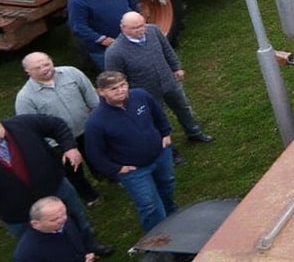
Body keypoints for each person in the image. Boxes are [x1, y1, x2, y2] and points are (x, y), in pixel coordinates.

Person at [104, 12, 214, 156]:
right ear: (123, 28)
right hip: (146, 93)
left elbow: (167, 49)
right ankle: (169, 150)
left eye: (142, 25)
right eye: (135, 28)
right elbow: (115, 79)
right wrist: (128, 96)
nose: (141, 30)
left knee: (183, 107)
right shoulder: (114, 52)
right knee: (156, 121)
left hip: (168, 81)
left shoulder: (153, 30)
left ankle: (195, 132)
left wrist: (176, 67)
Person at [0, 115, 107, 256]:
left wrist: (70, 148)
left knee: (77, 220)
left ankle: (89, 247)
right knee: (33, 244)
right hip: (17, 211)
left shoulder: (23, 124)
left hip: (56, 188)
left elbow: (56, 125)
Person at [84, 71, 177, 232]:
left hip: (161, 155)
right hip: (134, 171)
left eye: (123, 85)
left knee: (167, 186)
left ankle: (174, 219)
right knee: (149, 204)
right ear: (101, 92)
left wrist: (165, 133)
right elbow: (95, 153)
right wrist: (117, 169)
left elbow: (158, 114)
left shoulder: (141, 96)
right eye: (114, 88)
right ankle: (158, 238)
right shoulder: (96, 121)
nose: (121, 90)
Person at [15, 54, 101, 206]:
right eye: (37, 68)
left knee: (97, 155)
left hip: (87, 128)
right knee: (73, 171)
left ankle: (106, 176)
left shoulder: (72, 73)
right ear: (27, 71)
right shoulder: (25, 98)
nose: (44, 69)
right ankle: (89, 196)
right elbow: (30, 126)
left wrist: (97, 114)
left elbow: (91, 95)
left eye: (46, 64)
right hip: (59, 143)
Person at [66, 0, 138, 71]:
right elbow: (78, 27)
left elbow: (132, 2)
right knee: (115, 77)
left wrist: (137, 19)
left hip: (128, 38)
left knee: (135, 69)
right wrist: (102, 40)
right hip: (103, 49)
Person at [13, 197, 93, 262]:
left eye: (64, 213)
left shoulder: (65, 219)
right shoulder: (27, 254)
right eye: (54, 219)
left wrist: (86, 254)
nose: (63, 219)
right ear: (35, 224)